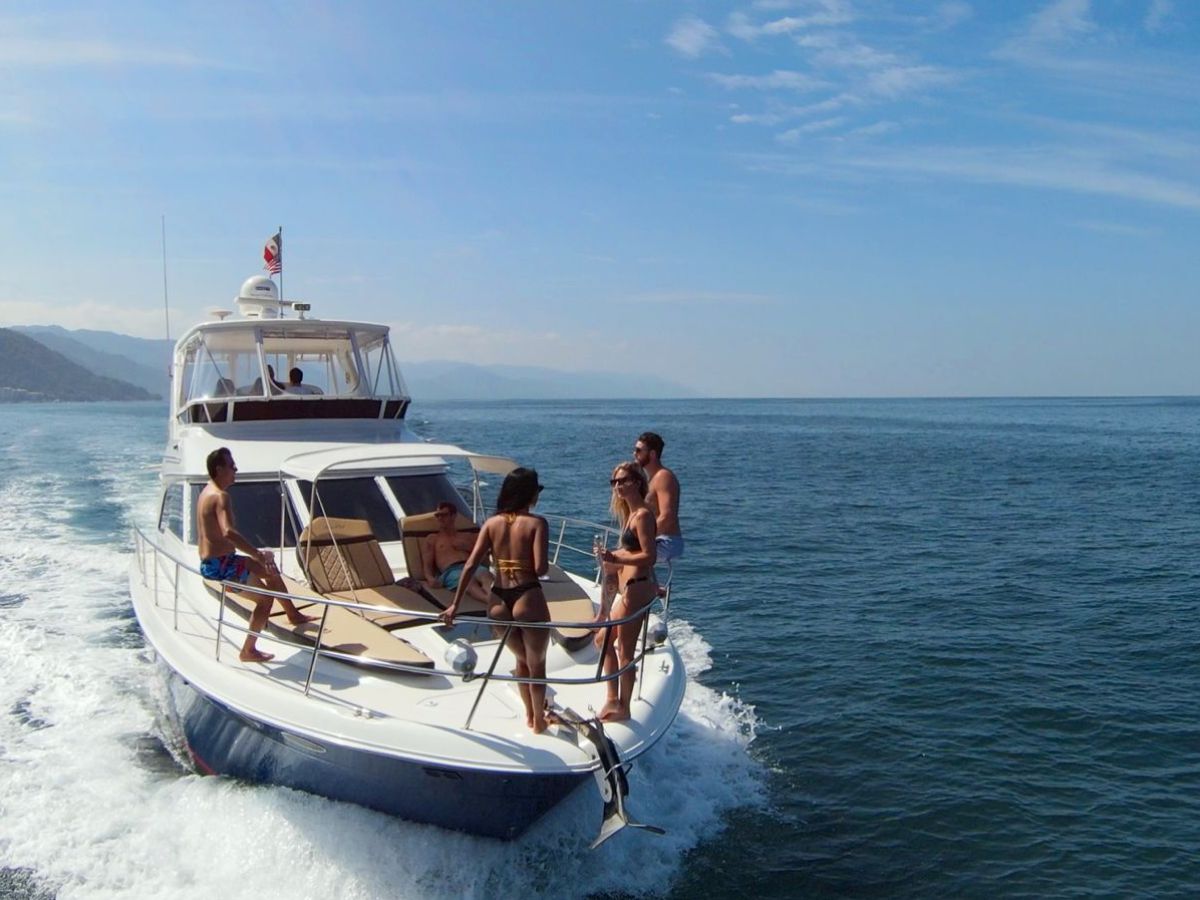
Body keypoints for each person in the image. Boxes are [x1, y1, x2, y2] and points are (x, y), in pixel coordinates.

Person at [440, 468, 551, 733]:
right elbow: (541, 568)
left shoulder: (492, 524)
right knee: (537, 665)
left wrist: (455, 604)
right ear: (529, 493)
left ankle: (529, 715)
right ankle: (539, 722)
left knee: (521, 661)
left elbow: (469, 565)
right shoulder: (537, 523)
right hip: (527, 595)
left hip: (498, 601)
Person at [197, 447, 315, 662]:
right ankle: (248, 650)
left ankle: (293, 614)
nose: (236, 469)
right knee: (265, 600)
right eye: (232, 466)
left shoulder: (207, 491)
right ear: (219, 469)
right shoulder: (220, 496)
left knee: (271, 571)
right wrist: (256, 554)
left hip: (221, 561)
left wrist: (258, 558)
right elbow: (228, 532)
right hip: (221, 566)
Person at [593, 462, 657, 722]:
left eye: (623, 480)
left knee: (625, 652)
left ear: (637, 482)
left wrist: (615, 556)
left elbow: (649, 556)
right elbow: (633, 551)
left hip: (637, 590)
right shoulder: (630, 514)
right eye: (614, 482)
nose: (618, 486)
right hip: (631, 590)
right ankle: (612, 699)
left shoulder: (642, 515)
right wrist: (614, 556)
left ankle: (624, 707)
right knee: (602, 640)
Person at [421, 501, 491, 606]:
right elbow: (427, 564)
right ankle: (490, 602)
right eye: (437, 515)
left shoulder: (467, 536)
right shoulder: (433, 539)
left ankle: (494, 599)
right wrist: (430, 578)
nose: (440, 518)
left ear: (453, 516)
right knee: (468, 581)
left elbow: (485, 559)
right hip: (451, 570)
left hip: (472, 566)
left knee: (486, 575)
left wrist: (469, 548)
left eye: (443, 515)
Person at [634, 432, 683, 578]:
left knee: (617, 560)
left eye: (638, 450)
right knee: (614, 559)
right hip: (657, 540)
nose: (634, 454)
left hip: (667, 542)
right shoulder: (652, 479)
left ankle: (636, 596)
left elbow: (667, 516)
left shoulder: (663, 477)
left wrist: (642, 540)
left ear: (652, 454)